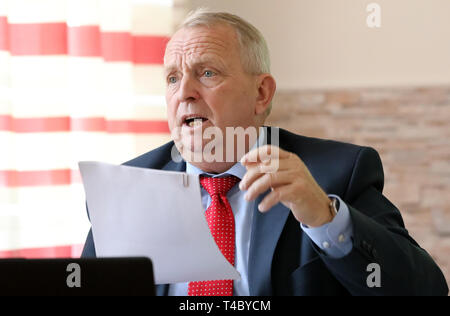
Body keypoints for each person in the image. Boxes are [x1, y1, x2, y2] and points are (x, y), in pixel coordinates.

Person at [82, 8, 448, 296]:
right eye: (173, 78)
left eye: (207, 73)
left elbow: (424, 291)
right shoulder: (128, 186)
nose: (185, 93)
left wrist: (325, 218)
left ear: (261, 94)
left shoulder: (336, 173)